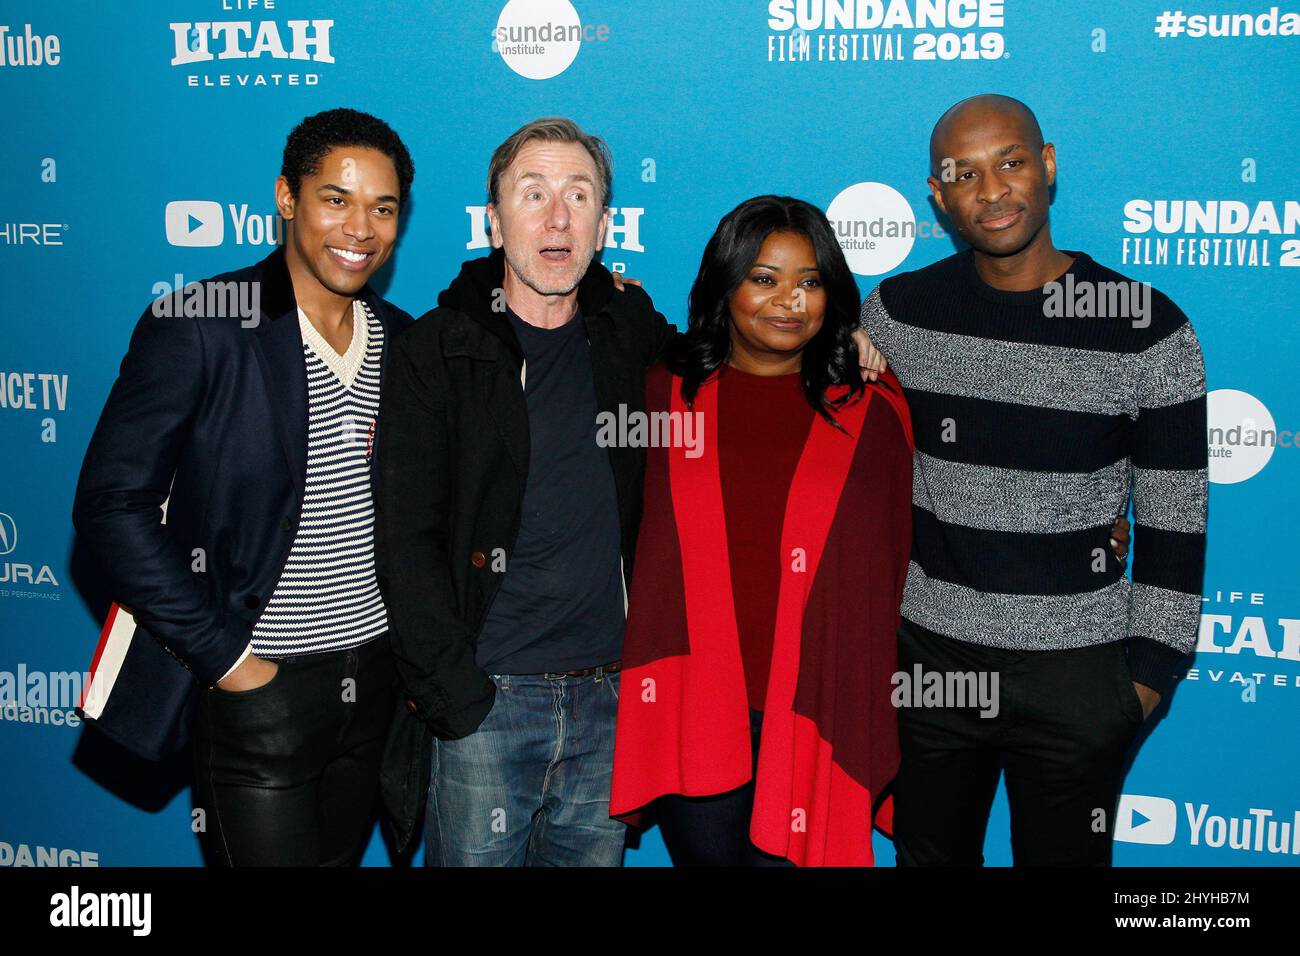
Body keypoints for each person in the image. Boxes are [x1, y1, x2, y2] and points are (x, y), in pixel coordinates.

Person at [855, 94, 1208, 865]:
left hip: (1077, 675)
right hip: (932, 668)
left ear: (1047, 166)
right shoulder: (898, 314)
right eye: (964, 174)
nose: (992, 191)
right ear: (937, 197)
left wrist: (1139, 685)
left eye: (1010, 162)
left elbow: (1177, 525)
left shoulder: (1148, 327)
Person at [72, 108, 416, 866]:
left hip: (375, 694)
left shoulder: (404, 338)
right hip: (257, 693)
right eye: (336, 198)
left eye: (383, 208)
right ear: (287, 198)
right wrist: (232, 663)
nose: (360, 227)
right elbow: (110, 503)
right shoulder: (200, 323)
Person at [374, 117, 677, 865]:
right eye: (532, 193)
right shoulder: (438, 349)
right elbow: (403, 537)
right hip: (488, 704)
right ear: (493, 220)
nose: (556, 216)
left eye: (579, 196)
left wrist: (843, 339)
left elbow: (738, 366)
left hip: (611, 704)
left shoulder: (627, 331)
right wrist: (456, 697)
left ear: (605, 225)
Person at [608, 196, 915, 866]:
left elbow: (901, 566)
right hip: (693, 706)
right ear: (726, 285)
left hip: (818, 709)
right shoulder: (661, 394)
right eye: (764, 278)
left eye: (809, 282)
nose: (789, 301)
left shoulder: (874, 411)